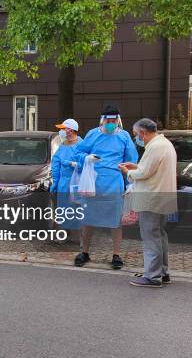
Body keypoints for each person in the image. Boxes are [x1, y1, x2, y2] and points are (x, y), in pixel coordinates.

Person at [73, 105, 139, 269]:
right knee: (88, 219)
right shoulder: (93, 134)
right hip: (93, 182)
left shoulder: (124, 136)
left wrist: (131, 183)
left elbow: (131, 161)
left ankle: (116, 254)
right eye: (108, 120)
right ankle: (85, 252)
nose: (111, 123)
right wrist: (87, 158)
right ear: (102, 120)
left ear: (118, 120)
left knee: (115, 220)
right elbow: (78, 153)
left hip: (115, 183)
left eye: (114, 120)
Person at [118, 118, 176, 288]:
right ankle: (162, 273)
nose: (137, 138)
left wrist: (127, 172)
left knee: (150, 237)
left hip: (152, 198)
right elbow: (150, 169)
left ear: (143, 133)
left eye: (136, 134)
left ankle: (153, 276)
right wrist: (135, 166)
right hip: (162, 197)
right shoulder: (163, 144)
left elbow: (144, 173)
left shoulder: (155, 147)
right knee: (159, 235)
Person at [50, 118, 83, 231]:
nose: (62, 131)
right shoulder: (63, 145)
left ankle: (79, 235)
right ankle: (64, 233)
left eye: (64, 129)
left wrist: (73, 164)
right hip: (63, 183)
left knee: (77, 208)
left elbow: (87, 164)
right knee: (63, 208)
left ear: (71, 130)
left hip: (77, 183)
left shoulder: (81, 145)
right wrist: (55, 180)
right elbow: (55, 162)